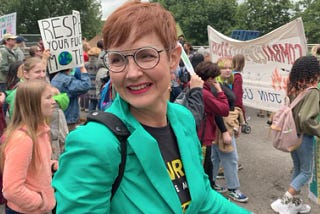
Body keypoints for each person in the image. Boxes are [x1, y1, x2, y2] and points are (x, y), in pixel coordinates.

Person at [52, 2, 250, 213]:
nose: (132, 73)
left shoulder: (183, 119)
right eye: (117, 59)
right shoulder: (94, 143)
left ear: (173, 58)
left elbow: (203, 198)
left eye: (146, 55)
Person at [271, 55, 320, 214]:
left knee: (298, 169)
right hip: (304, 137)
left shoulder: (293, 87)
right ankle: (284, 201)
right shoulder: (312, 91)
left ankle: (295, 203)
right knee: (306, 172)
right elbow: (306, 118)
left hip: (290, 134)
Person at [0, 79, 57, 213]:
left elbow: (31, 166)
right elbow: (11, 189)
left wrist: (51, 165)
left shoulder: (40, 131)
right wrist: (40, 202)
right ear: (33, 103)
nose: (54, 101)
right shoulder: (23, 139)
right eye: (48, 97)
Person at [211, 57, 248, 202]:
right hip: (222, 127)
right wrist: (225, 131)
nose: (227, 70)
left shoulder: (223, 84)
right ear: (217, 70)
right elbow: (216, 111)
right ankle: (233, 189)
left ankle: (211, 183)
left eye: (229, 67)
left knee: (215, 158)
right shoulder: (216, 87)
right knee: (231, 158)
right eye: (223, 67)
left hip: (223, 126)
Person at [50, 66, 90, 131]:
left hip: (60, 115)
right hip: (68, 117)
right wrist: (82, 68)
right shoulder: (67, 80)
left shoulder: (56, 77)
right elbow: (86, 85)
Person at [85, 47, 101, 111]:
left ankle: (90, 117)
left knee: (92, 103)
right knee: (99, 105)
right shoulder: (99, 64)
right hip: (97, 86)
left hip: (89, 86)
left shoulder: (86, 64)